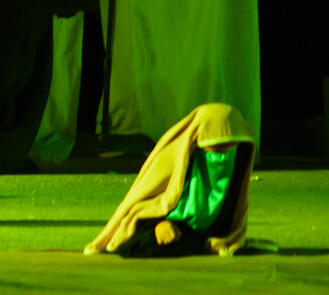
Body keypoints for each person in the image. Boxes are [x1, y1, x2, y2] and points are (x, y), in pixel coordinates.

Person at [85, 103, 257, 257]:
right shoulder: (175, 159)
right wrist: (159, 224)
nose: (221, 157)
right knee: (146, 243)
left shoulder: (239, 160)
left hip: (202, 233)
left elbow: (229, 220)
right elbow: (144, 204)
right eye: (214, 148)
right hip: (161, 223)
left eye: (228, 148)